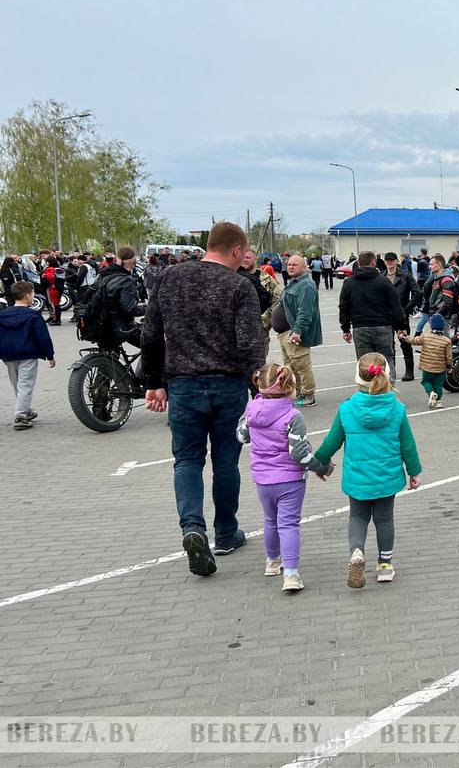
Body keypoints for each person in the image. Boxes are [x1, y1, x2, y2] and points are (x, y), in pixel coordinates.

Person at [141, 222, 266, 576]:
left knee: (187, 462)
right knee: (226, 463)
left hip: (183, 385)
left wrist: (153, 381)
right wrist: (259, 392)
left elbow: (150, 333)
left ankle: (193, 528)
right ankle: (226, 534)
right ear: (238, 250)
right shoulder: (240, 286)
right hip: (227, 386)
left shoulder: (169, 278)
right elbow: (250, 345)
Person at [313, 353, 422, 587]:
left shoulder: (347, 409)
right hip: (387, 477)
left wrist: (319, 463)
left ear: (357, 379)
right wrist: (414, 471)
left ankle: (357, 552)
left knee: (357, 517)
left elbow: (331, 442)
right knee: (384, 520)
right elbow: (408, 445)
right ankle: (384, 565)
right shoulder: (397, 409)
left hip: (357, 477)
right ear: (387, 376)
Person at [236, 362, 332, 593]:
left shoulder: (251, 410)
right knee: (288, 524)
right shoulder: (292, 415)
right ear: (288, 388)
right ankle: (290, 574)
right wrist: (322, 467)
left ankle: (272, 562)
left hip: (262, 477)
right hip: (289, 479)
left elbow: (241, 437)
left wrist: (246, 420)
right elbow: (299, 453)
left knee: (270, 520)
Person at [339, 251, 405, 383]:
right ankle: (388, 390)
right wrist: (401, 326)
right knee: (386, 359)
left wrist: (345, 328)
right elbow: (395, 305)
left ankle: (367, 391)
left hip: (360, 327)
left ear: (358, 263)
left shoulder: (349, 282)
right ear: (374, 262)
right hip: (383, 326)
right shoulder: (383, 281)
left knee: (365, 361)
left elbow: (344, 307)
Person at [0, 281, 55, 430]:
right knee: (25, 385)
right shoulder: (33, 315)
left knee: (17, 384)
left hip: (8, 354)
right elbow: (42, 337)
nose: (33, 297)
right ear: (26, 296)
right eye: (32, 294)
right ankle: (20, 415)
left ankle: (26, 409)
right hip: (28, 354)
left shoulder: (2, 315)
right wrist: (49, 355)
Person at [280, 255, 322, 407]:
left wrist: (297, 331)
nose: (290, 267)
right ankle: (296, 393)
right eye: (289, 264)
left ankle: (309, 396)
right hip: (286, 333)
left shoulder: (306, 285)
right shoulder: (294, 283)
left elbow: (305, 312)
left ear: (304, 267)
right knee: (291, 367)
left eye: (295, 265)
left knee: (302, 367)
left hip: (296, 334)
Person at [97, 246, 147, 349]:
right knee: (156, 348)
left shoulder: (104, 274)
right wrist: (149, 308)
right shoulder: (125, 280)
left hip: (103, 325)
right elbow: (131, 309)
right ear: (132, 261)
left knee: (112, 359)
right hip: (122, 327)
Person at [384, 253, 421, 382]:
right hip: (386, 317)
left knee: (404, 342)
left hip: (401, 316)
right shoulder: (381, 276)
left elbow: (417, 293)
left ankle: (409, 372)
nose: (389, 262)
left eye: (391, 260)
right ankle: (391, 372)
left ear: (396, 261)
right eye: (387, 260)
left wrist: (406, 309)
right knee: (388, 345)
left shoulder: (405, 276)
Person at [406, 313, 453, 409]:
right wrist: (449, 366)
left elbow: (414, 341)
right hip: (441, 368)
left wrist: (405, 337)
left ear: (431, 325)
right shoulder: (446, 341)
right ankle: (439, 401)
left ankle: (431, 393)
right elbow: (449, 356)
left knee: (426, 381)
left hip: (427, 367)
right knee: (438, 384)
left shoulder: (425, 336)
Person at [416, 253, 457, 335]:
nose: (429, 266)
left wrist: (437, 314)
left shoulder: (446, 280)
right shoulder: (436, 278)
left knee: (443, 339)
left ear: (439, 265)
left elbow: (447, 302)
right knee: (437, 340)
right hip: (435, 313)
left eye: (431, 264)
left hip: (441, 316)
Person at [238, 248, 272, 315]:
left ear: (255, 260)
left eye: (248, 258)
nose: (244, 260)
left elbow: (277, 300)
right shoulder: (234, 276)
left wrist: (266, 316)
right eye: (242, 257)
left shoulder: (266, 277)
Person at [41, 261, 63, 325]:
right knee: (57, 304)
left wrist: (45, 276)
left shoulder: (50, 269)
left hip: (53, 288)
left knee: (53, 304)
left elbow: (51, 277)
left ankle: (56, 320)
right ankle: (56, 319)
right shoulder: (59, 269)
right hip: (59, 288)